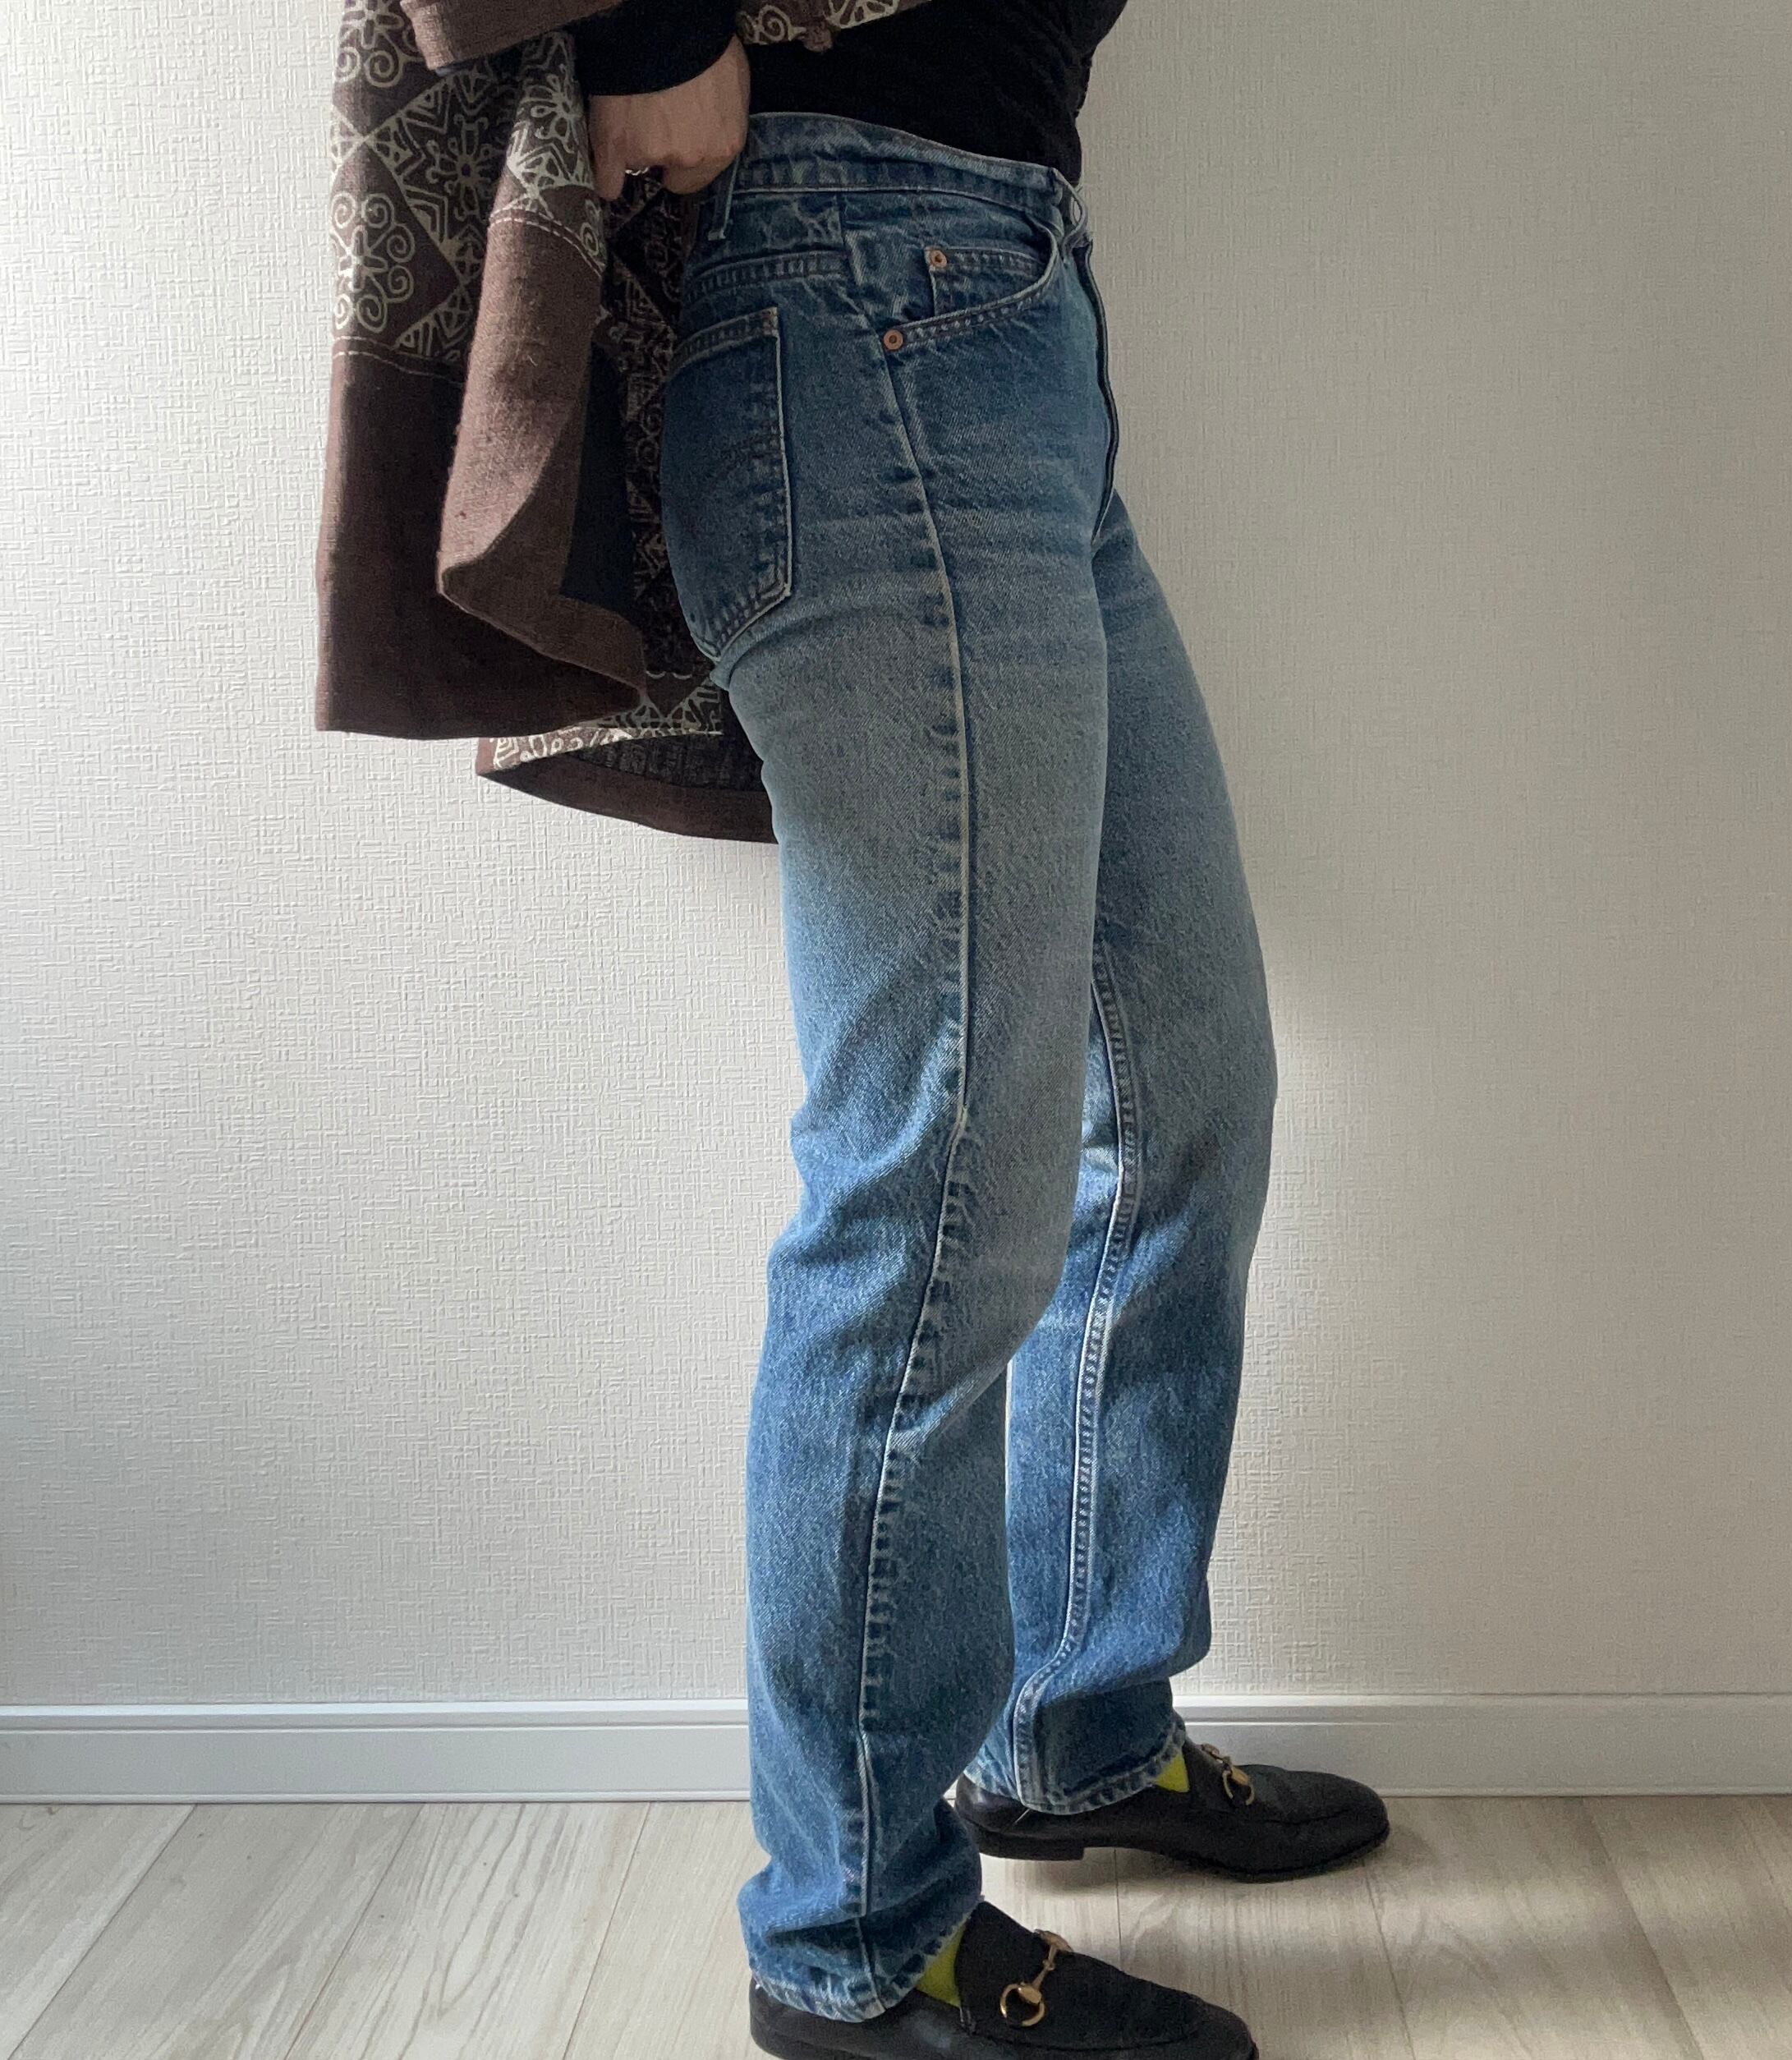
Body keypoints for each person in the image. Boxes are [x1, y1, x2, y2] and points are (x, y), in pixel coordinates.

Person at [559, 5, 1391, 2055]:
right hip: (858, 285)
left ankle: (1079, 1729)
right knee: (937, 1191)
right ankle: (853, 1944)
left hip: (1008, 311)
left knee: (1183, 1090)